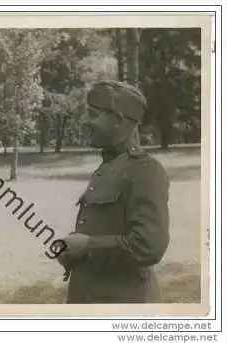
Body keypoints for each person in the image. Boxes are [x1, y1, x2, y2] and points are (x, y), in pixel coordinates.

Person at [57, 80, 170, 303]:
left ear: (118, 120)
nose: (85, 121)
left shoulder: (145, 170)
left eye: (92, 114)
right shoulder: (109, 166)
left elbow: (149, 245)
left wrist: (88, 245)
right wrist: (74, 250)